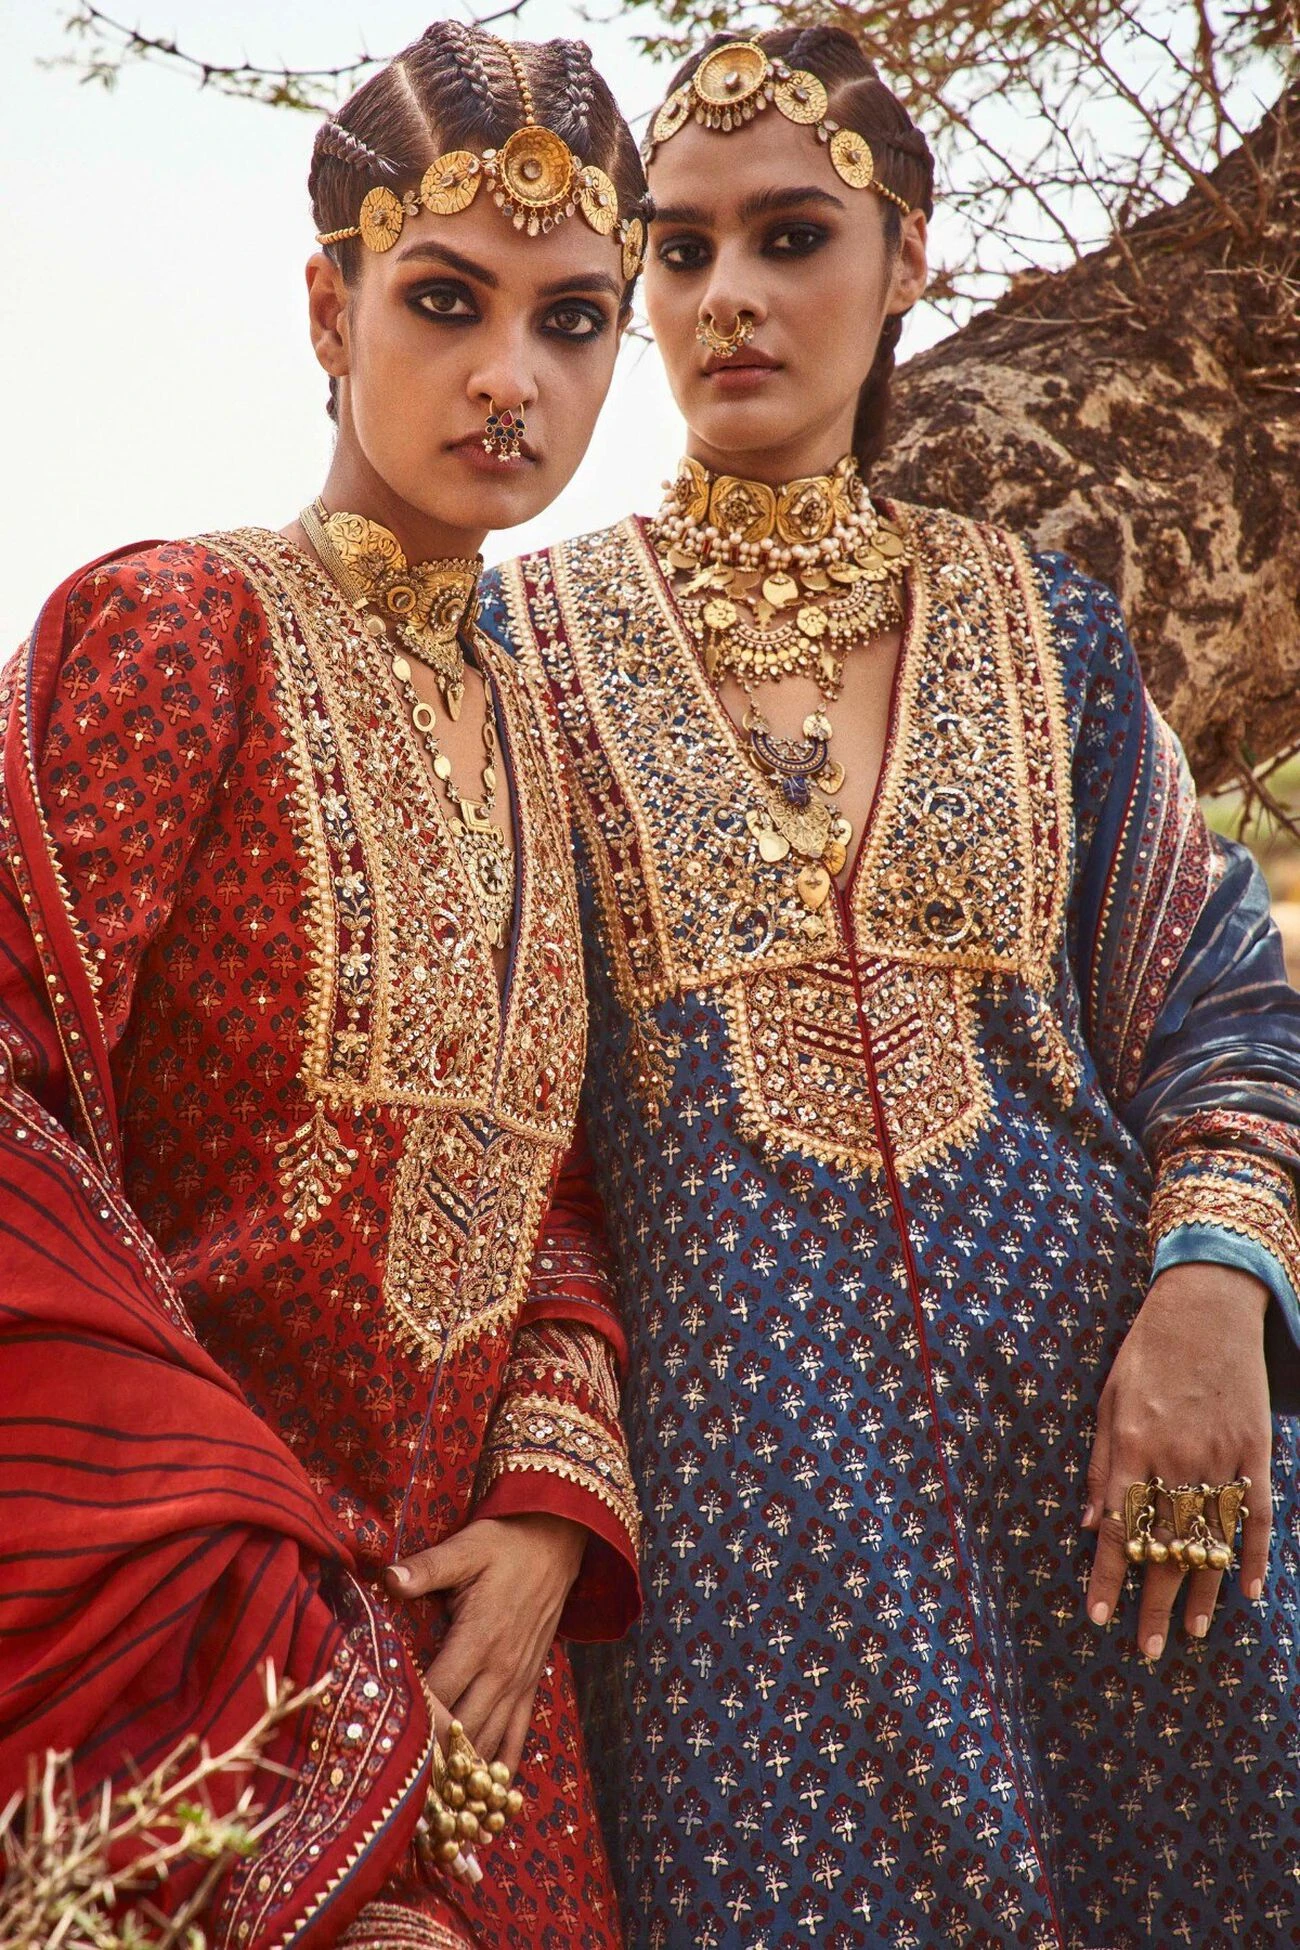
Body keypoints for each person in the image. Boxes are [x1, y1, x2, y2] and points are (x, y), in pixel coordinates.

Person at [483, 24, 1300, 1950]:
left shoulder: (1047, 627)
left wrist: (1213, 1295)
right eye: (682, 250)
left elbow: (1220, 999)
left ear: (908, 252)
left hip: (1130, 1497)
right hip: (750, 1555)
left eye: (792, 237)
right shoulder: (520, 653)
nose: (732, 298)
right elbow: (500, 1139)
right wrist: (554, 1476)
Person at [0, 22, 649, 1949]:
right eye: (447, 300)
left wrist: (545, 1515)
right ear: (326, 308)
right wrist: (254, 1632)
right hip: (181, 1678)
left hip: (481, 1705)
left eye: (573, 321)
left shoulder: (550, 747)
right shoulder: (174, 629)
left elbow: (554, 1199)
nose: (510, 375)